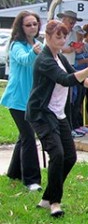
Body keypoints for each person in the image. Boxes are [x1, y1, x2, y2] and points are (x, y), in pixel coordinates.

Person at [26, 20, 88, 217]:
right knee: (57, 155)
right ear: (47, 37)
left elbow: (76, 75)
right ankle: (55, 203)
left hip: (59, 114)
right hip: (42, 114)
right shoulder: (44, 60)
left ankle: (47, 197)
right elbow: (66, 80)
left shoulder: (59, 57)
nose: (61, 40)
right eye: (57, 36)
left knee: (70, 156)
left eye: (63, 36)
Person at [1, 11, 43, 191]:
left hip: (31, 98)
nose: (32, 27)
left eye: (35, 24)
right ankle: (32, 180)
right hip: (17, 99)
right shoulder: (16, 45)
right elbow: (25, 61)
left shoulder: (38, 44)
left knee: (23, 136)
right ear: (21, 27)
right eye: (28, 25)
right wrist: (34, 52)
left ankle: (13, 172)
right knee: (28, 137)